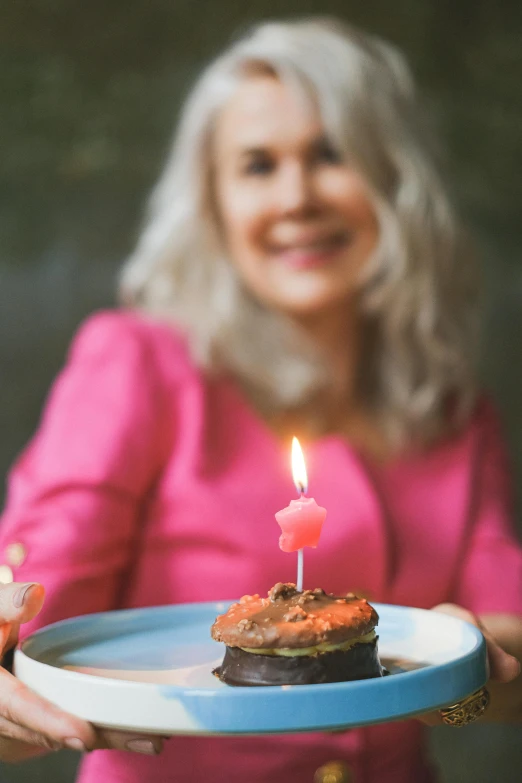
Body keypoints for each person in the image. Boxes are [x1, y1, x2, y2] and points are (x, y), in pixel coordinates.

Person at [0, 16, 521, 783]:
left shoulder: (451, 404)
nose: (296, 196)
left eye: (330, 154)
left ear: (394, 179)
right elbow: (37, 637)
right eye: (256, 165)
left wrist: (465, 670)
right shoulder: (139, 363)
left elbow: (508, 640)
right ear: (213, 206)